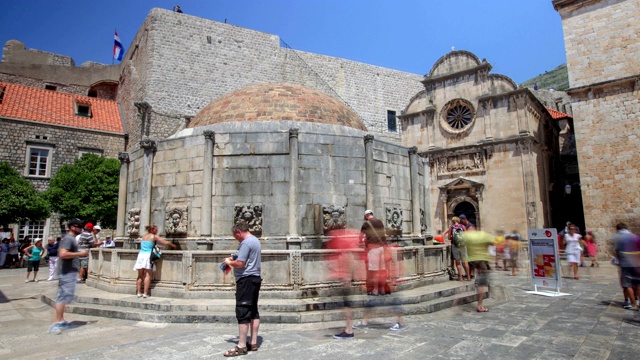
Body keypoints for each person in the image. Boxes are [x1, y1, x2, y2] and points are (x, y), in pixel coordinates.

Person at [223, 220, 262, 356]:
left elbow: (240, 264)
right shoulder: (255, 240)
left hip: (246, 280)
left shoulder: (246, 243)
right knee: (253, 311)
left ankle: (241, 346)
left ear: (239, 232)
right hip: (255, 278)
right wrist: (236, 257)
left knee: (243, 311)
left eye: (236, 236)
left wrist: (229, 262)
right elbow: (248, 259)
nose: (236, 239)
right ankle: (254, 342)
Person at [48, 218, 89, 335]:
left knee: (65, 297)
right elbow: (63, 254)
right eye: (79, 227)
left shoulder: (71, 239)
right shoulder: (68, 239)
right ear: (72, 227)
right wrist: (81, 253)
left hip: (68, 272)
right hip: (66, 272)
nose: (81, 229)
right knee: (62, 298)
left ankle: (60, 320)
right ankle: (58, 322)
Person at [133, 225, 176, 298]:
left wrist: (157, 246)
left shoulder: (144, 237)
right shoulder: (154, 236)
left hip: (140, 255)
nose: (157, 231)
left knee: (140, 275)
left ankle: (139, 292)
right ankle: (145, 293)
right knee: (147, 275)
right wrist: (173, 245)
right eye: (156, 230)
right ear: (152, 230)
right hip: (147, 256)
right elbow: (165, 242)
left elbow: (148, 245)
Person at [462, 230, 495, 312]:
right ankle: (480, 306)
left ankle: (477, 285)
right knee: (482, 285)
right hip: (481, 260)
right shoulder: (482, 236)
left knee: (481, 281)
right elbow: (492, 243)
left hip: (473, 260)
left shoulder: (469, 237)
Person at [360, 209, 388, 295]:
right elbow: (384, 234)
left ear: (366, 216)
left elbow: (361, 237)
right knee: (382, 270)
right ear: (372, 214)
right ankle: (382, 289)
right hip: (382, 248)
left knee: (375, 271)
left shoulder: (366, 224)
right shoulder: (380, 222)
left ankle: (375, 290)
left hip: (373, 249)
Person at [613, 223, 640, 311]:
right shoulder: (635, 236)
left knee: (627, 285)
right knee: (637, 284)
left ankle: (633, 304)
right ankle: (638, 301)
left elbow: (616, 251)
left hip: (625, 264)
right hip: (637, 263)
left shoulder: (618, 237)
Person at [442, 216, 470, 281]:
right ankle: (468, 277)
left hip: (455, 246)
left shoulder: (451, 227)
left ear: (452, 221)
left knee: (457, 263)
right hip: (463, 245)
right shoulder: (463, 227)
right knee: (465, 261)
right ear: (458, 220)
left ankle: (460, 277)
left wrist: (453, 237)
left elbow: (449, 238)